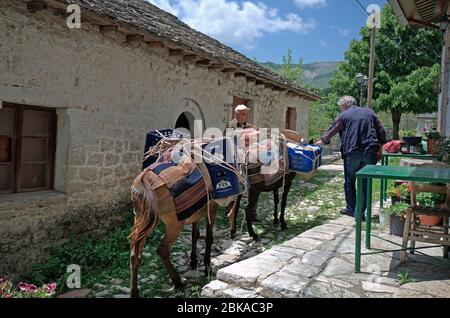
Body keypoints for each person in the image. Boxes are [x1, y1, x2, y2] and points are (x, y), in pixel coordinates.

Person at [316, 96, 387, 219]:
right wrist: (381, 147)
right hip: (370, 151)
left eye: (340, 107)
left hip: (352, 152)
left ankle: (351, 208)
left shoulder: (343, 116)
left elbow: (332, 129)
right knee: (366, 184)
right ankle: (359, 213)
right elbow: (381, 131)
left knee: (349, 182)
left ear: (344, 106)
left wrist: (322, 141)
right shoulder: (370, 112)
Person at [225, 105, 260, 223]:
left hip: (248, 160)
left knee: (255, 184)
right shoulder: (231, 126)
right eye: (244, 114)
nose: (246, 116)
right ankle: (230, 209)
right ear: (237, 114)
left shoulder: (248, 126)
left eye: (246, 114)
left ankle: (252, 212)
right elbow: (230, 142)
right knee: (234, 185)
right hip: (235, 161)